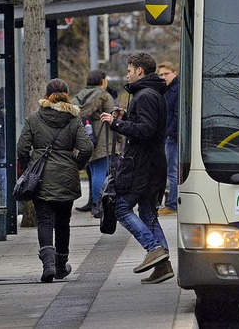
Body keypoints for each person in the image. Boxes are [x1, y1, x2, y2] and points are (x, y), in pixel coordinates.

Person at [100, 52, 174, 284]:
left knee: (121, 207)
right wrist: (126, 115)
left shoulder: (145, 95)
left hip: (142, 165)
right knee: (149, 214)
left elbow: (146, 129)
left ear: (139, 71)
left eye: (129, 70)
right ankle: (163, 266)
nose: (127, 74)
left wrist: (117, 123)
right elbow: (146, 124)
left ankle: (153, 248)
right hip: (152, 164)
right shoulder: (152, 94)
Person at [17, 79, 93, 283]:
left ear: (46, 94)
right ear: (67, 95)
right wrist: (76, 164)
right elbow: (86, 148)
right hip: (66, 176)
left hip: (40, 177)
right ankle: (60, 265)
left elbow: (22, 148)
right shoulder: (73, 120)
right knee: (63, 222)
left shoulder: (34, 119)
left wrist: (28, 168)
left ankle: (48, 265)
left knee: (44, 221)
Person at [72, 70, 116, 217]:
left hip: (84, 136)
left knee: (92, 169)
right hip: (102, 137)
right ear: (103, 81)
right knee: (100, 171)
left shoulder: (80, 96)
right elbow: (112, 116)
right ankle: (98, 205)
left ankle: (93, 202)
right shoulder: (104, 96)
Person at [157, 61, 179, 216]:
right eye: (161, 75)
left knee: (172, 171)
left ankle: (172, 204)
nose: (163, 77)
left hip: (172, 136)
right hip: (167, 135)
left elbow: (177, 115)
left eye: (166, 74)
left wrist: (169, 133)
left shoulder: (176, 90)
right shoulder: (165, 90)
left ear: (174, 73)